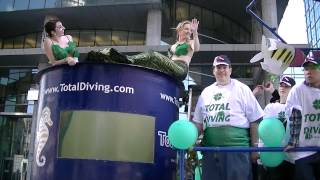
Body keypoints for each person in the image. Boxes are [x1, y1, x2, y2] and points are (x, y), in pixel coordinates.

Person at [192, 55, 264, 180]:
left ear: (230, 70)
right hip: (211, 153)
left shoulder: (242, 89)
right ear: (213, 71)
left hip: (237, 151)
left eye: (224, 67)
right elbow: (198, 124)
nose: (221, 70)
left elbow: (255, 121)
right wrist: (189, 142)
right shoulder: (206, 92)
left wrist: (255, 149)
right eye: (218, 67)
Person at [87, 18, 200, 81]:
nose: (188, 31)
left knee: (153, 55)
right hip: (170, 68)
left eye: (190, 30)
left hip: (180, 69)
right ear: (179, 30)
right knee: (148, 63)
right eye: (186, 29)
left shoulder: (190, 43)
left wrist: (195, 33)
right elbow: (169, 60)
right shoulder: (173, 46)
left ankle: (127, 59)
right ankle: (112, 60)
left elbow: (198, 48)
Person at [284, 56, 320, 180]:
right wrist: (293, 141)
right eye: (305, 68)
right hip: (303, 150)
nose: (308, 71)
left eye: (313, 67)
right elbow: (295, 116)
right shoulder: (297, 90)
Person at [257, 75, 296, 180]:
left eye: (286, 86)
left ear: (293, 89)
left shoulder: (297, 107)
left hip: (292, 156)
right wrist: (260, 153)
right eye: (281, 85)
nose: (283, 88)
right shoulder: (270, 107)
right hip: (273, 155)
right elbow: (264, 131)